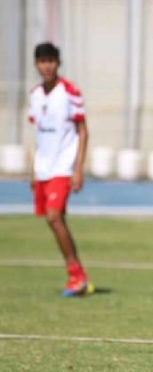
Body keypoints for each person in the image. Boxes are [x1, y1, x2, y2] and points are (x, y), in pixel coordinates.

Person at [28, 42, 93, 297]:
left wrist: (78, 169)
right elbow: (38, 136)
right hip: (44, 168)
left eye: (51, 61)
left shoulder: (70, 93)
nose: (47, 66)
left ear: (58, 63)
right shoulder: (35, 94)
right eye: (42, 61)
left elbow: (83, 131)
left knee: (54, 217)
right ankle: (77, 274)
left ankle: (77, 276)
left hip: (63, 167)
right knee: (54, 221)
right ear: (36, 64)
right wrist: (34, 169)